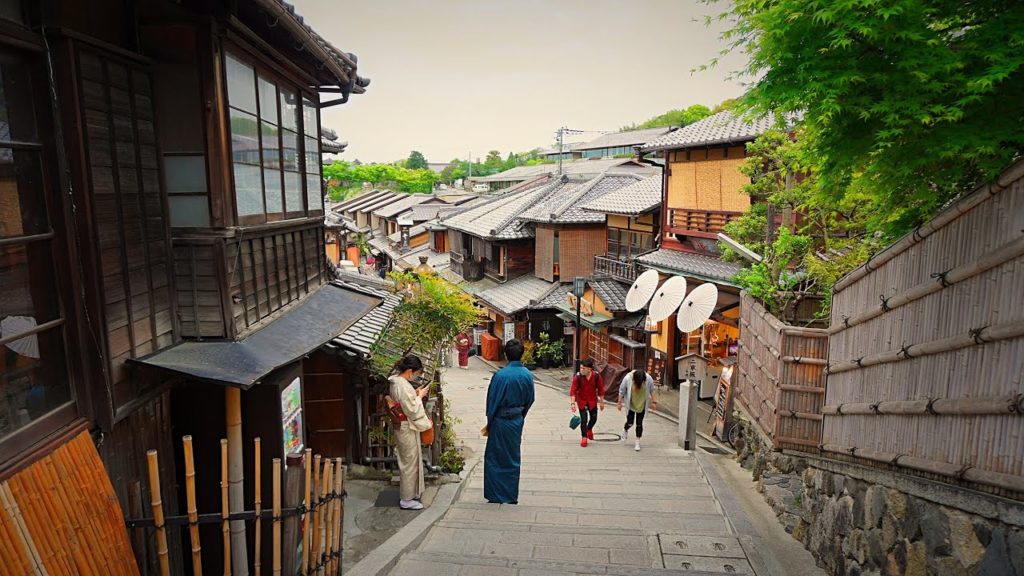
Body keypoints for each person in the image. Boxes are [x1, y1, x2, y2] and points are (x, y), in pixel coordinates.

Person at [482, 339, 535, 504]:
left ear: (506, 354)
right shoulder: (527, 375)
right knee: (512, 457)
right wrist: (521, 416)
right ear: (522, 354)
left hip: (500, 420)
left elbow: (492, 402)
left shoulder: (500, 376)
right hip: (516, 420)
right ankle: (510, 495)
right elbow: (530, 399)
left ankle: (496, 494)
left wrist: (489, 422)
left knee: (494, 456)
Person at [386, 355, 433, 510]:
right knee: (409, 462)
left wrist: (415, 395)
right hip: (406, 425)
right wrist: (419, 396)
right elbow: (412, 409)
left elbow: (407, 402)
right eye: (417, 372)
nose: (417, 375)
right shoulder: (401, 385)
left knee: (410, 459)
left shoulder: (397, 382)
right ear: (410, 371)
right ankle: (406, 499)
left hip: (404, 425)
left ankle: (411, 493)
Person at [617, 369, 657, 451]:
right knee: (630, 422)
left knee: (639, 423)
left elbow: (652, 390)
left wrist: (654, 402)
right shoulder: (628, 378)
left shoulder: (648, 379)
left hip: (642, 404)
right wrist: (619, 402)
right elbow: (621, 391)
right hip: (631, 404)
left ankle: (637, 441)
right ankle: (625, 430)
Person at [570, 358, 605, 447]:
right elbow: (573, 391)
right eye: (581, 368)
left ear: (589, 369)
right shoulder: (578, 377)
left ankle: (589, 429)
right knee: (584, 420)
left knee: (594, 418)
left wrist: (601, 402)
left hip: (592, 401)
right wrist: (573, 403)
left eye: (583, 368)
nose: (581, 370)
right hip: (582, 401)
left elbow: (601, 390)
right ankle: (584, 437)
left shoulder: (597, 376)